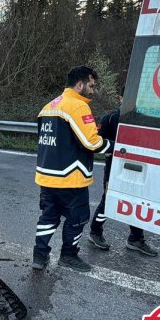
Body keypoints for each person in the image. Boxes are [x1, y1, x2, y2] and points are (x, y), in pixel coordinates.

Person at [32, 65, 113, 272]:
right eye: (91, 86)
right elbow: (92, 142)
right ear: (80, 84)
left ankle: (39, 256)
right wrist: (113, 146)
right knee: (77, 218)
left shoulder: (47, 107)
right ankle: (68, 255)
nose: (92, 91)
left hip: (47, 176)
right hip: (71, 177)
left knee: (48, 217)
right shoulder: (77, 106)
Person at [88, 86, 158, 256]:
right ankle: (95, 232)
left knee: (137, 202)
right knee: (109, 201)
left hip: (140, 170)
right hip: (115, 169)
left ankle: (135, 239)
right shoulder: (110, 118)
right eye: (129, 96)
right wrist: (110, 149)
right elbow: (96, 142)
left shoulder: (146, 119)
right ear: (120, 97)